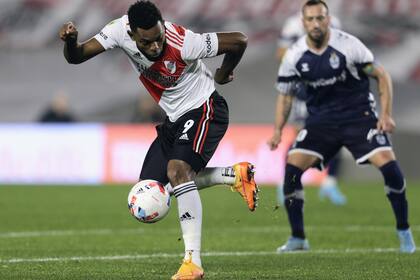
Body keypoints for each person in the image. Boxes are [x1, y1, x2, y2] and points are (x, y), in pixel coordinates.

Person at [59, 1, 258, 279]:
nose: (154, 47)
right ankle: (232, 175)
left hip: (205, 108)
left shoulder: (185, 42)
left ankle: (193, 262)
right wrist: (70, 42)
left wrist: (223, 73)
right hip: (174, 119)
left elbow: (239, 40)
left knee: (177, 171)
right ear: (131, 35)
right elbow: (77, 56)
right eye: (146, 42)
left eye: (158, 39)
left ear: (163, 27)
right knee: (150, 188)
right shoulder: (117, 31)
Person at [267, 0, 415, 253]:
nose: (316, 23)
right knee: (291, 171)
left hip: (358, 117)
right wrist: (278, 130)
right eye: (311, 19)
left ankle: (404, 233)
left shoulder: (348, 45)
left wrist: (386, 115)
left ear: (328, 19)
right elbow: (286, 94)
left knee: (391, 169)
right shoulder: (294, 55)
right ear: (303, 23)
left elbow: (382, 75)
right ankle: (298, 238)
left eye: (320, 18)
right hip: (320, 122)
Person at [276, 0, 346, 206]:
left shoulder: (335, 23)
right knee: (300, 135)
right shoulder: (293, 25)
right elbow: (280, 53)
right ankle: (286, 182)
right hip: (303, 90)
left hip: (329, 88)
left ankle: (330, 183)